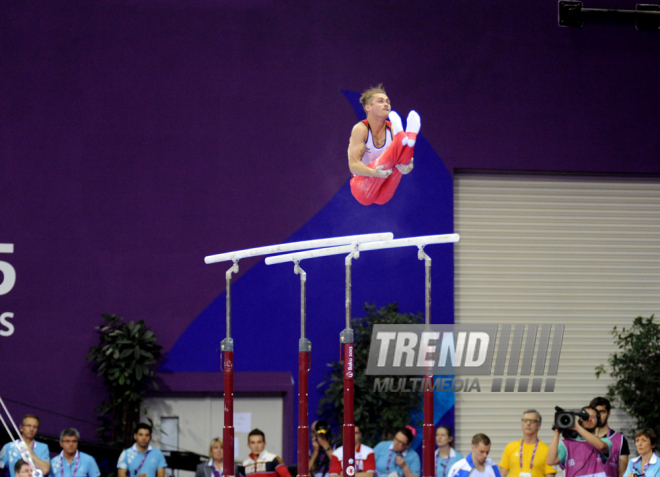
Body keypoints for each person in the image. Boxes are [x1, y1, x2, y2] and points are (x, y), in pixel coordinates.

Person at [347, 85, 421, 206]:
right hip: (362, 188)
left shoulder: (391, 128)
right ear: (368, 107)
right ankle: (405, 137)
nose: (386, 104)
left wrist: (408, 166)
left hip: (385, 186)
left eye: (387, 101)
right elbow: (353, 165)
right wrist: (373, 173)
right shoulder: (361, 129)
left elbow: (403, 165)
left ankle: (410, 137)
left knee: (400, 164)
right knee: (386, 162)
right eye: (380, 101)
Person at [546, 406, 612, 477]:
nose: (589, 419)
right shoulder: (566, 443)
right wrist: (557, 431)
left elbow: (602, 447)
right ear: (580, 420)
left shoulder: (604, 441)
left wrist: (577, 428)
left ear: (598, 421)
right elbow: (550, 461)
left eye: (593, 417)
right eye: (585, 417)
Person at [499, 410, 556, 477]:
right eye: (525, 420)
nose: (528, 424)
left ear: (539, 425)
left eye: (532, 421)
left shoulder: (547, 450)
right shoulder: (510, 447)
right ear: (522, 424)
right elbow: (501, 474)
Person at [590, 397, 630, 477]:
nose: (598, 415)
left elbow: (622, 473)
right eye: (596, 412)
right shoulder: (584, 438)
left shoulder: (621, 440)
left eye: (602, 412)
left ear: (608, 413)